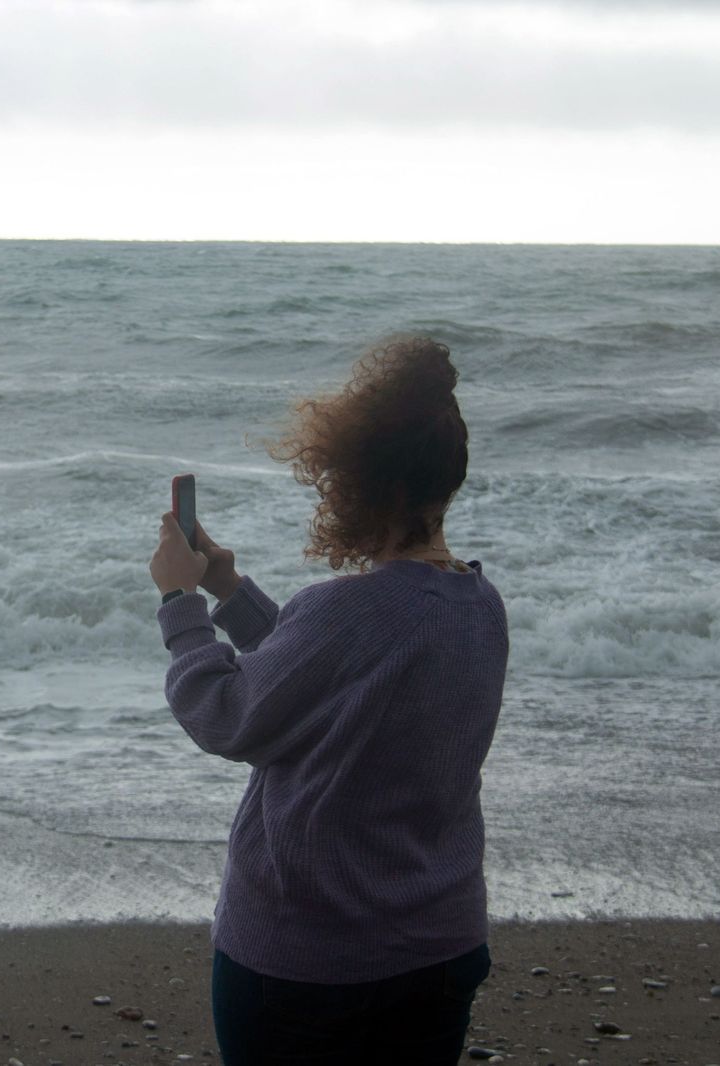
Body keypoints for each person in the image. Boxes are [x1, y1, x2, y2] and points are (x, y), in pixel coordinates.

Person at [147, 336, 507, 1065]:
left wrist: (179, 600)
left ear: (367, 486)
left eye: (334, 479)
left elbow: (230, 715)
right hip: (441, 946)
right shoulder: (479, 603)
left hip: (307, 964)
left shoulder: (346, 611)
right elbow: (334, 672)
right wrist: (229, 591)